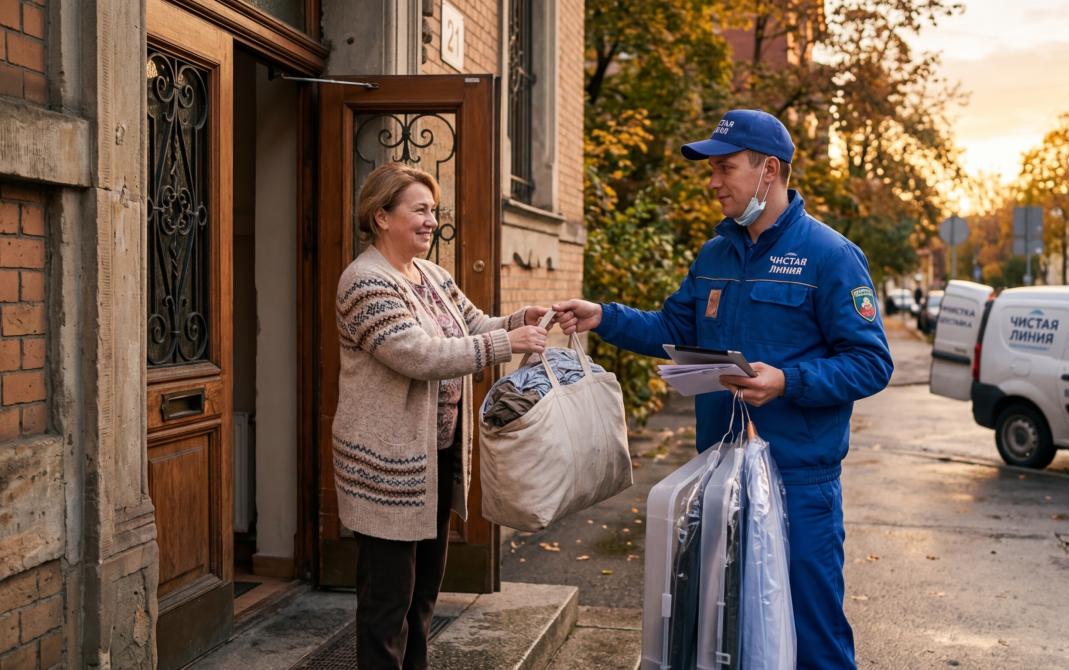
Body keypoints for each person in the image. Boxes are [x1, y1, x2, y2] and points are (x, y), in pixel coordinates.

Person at [553, 109, 893, 669]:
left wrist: (788, 381)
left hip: (798, 484)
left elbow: (871, 363)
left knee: (813, 636)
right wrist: (603, 317)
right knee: (723, 634)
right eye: (711, 170)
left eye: (725, 168)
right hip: (720, 479)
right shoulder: (716, 254)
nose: (712, 183)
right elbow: (674, 329)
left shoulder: (830, 256)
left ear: (769, 171)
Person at [333, 163, 549, 669]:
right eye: (421, 210)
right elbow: (418, 354)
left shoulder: (431, 274)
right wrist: (506, 343)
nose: (432, 221)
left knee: (423, 596)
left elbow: (473, 324)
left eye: (434, 210)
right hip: (386, 467)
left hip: (434, 458)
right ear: (382, 216)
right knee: (388, 604)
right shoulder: (364, 281)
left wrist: (519, 320)